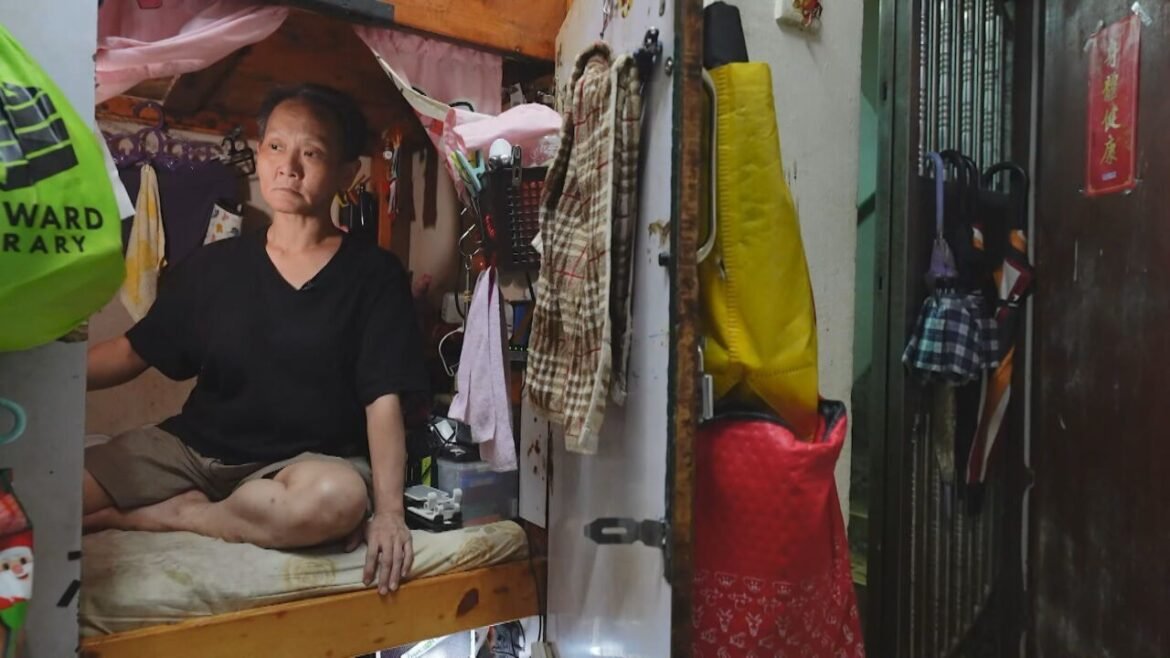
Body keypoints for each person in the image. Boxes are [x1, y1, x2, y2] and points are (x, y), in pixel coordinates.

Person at [83, 84, 427, 596]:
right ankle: (208, 509)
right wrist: (37, 374)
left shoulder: (374, 275)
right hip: (194, 449)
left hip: (304, 464)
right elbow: (131, 352)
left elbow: (383, 399)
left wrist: (391, 514)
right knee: (44, 491)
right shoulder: (214, 266)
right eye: (276, 147)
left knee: (335, 500)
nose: (289, 166)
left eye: (312, 153)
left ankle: (178, 516)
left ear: (346, 173)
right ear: (260, 154)